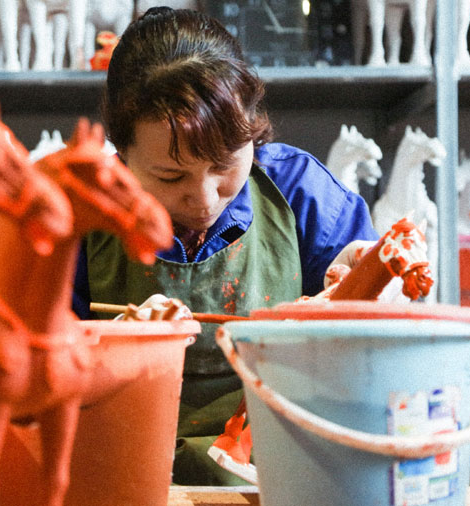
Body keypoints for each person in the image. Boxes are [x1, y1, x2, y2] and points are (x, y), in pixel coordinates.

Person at [71, 7, 379, 485]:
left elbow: (376, 360)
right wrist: (114, 349)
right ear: (122, 153)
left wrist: (370, 291)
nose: (205, 198)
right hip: (121, 471)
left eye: (224, 165)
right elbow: (27, 376)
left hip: (279, 472)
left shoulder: (301, 194)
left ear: (251, 128)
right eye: (170, 176)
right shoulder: (78, 215)